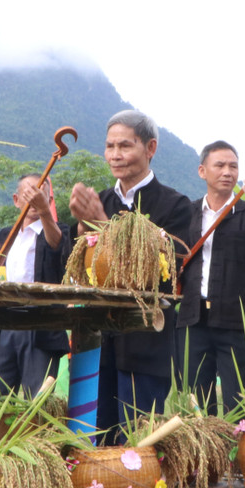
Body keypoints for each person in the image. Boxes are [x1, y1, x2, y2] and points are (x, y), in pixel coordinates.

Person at [69, 110, 192, 435]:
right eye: (110, 146)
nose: (115, 155)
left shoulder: (176, 206)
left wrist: (102, 224)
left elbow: (164, 273)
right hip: (97, 345)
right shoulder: (101, 200)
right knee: (94, 445)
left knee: (137, 449)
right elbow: (75, 269)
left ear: (150, 148)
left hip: (145, 347)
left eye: (125, 145)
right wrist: (82, 230)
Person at [175, 142, 245, 415]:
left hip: (235, 320)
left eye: (233, 166)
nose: (227, 172)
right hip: (192, 319)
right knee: (196, 402)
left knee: (237, 402)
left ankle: (236, 456)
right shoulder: (187, 213)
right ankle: (203, 457)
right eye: (219, 165)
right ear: (202, 171)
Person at [0, 175, 72, 400]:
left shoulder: (57, 231)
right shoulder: (4, 237)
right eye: (29, 195)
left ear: (49, 200)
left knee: (38, 402)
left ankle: (37, 436)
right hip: (4, 325)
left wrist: (45, 212)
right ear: (16, 200)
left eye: (41, 196)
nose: (35, 200)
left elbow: (58, 246)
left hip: (40, 327)